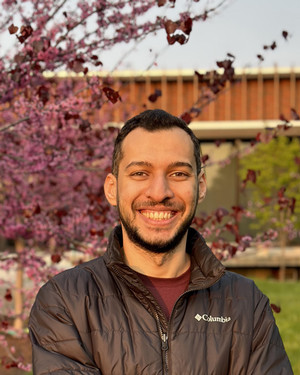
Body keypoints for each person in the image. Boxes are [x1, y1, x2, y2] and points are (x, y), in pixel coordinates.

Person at [29, 109, 293, 374]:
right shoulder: (65, 301)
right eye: (140, 173)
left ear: (200, 186)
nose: (159, 193)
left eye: (178, 173)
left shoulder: (246, 303)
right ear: (112, 188)